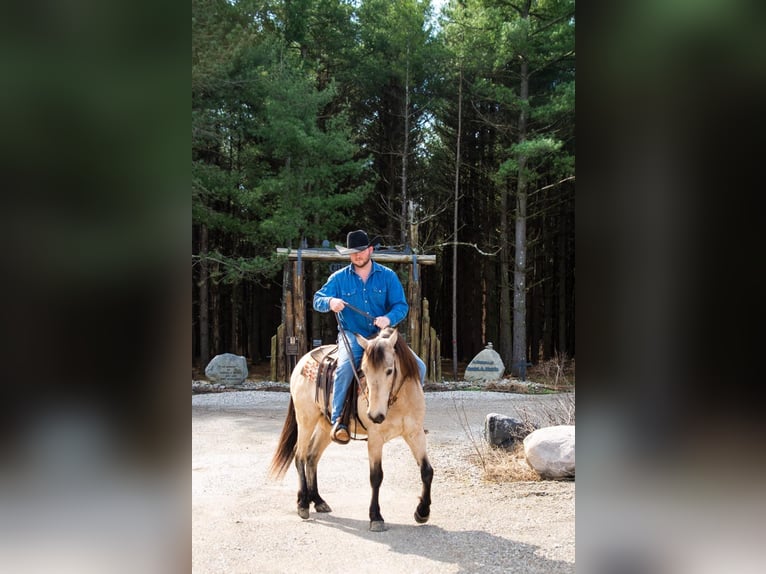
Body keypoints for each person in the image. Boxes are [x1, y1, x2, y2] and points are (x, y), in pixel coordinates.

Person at [313, 229, 426, 444]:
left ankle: (412, 416)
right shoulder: (338, 279)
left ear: (370, 250)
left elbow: (401, 306)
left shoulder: (387, 276)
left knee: (419, 366)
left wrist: (388, 318)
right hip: (353, 336)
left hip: (382, 337)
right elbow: (317, 299)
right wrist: (330, 302)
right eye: (353, 253)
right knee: (345, 368)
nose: (358, 256)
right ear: (349, 255)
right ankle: (338, 420)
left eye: (362, 251)